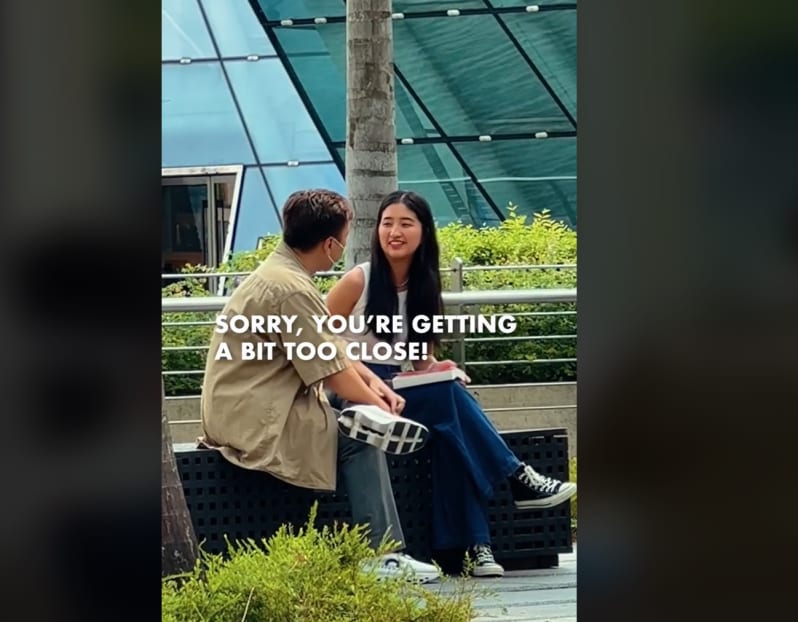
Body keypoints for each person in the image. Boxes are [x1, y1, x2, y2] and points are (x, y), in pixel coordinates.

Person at [325, 190, 578, 578]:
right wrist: (369, 375)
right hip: (356, 392)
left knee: (451, 419)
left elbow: (419, 358)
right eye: (387, 222)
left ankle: (476, 549)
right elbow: (320, 342)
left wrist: (437, 368)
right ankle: (510, 489)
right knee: (451, 403)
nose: (394, 231)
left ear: (424, 232)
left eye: (405, 223)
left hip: (401, 389)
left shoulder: (426, 283)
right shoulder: (358, 280)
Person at [198, 189, 439, 584]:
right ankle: (383, 554)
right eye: (343, 241)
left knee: (359, 415)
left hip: (247, 406)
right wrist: (384, 410)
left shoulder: (281, 275)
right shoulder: (291, 289)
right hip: (256, 418)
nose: (343, 249)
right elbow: (330, 372)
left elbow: (334, 350)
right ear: (329, 244)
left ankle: (382, 550)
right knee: (362, 433)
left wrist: (377, 386)